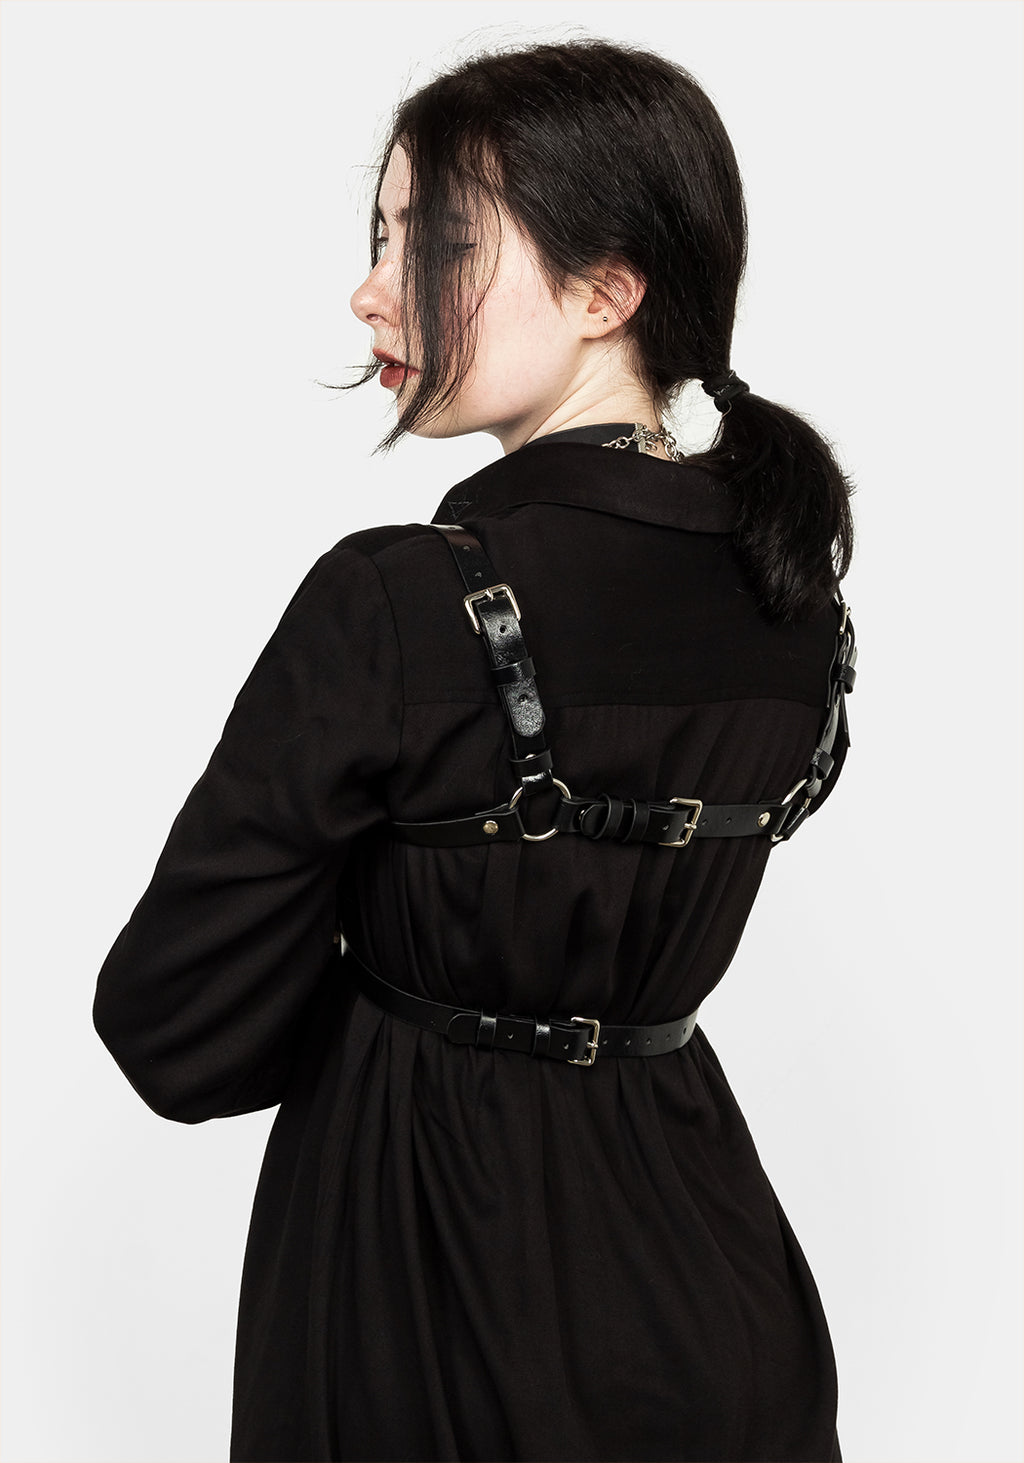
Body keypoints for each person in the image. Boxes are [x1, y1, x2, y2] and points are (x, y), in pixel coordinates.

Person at [93, 35, 856, 1463]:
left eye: (437, 242)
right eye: (380, 237)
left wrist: (373, 943)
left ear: (606, 292)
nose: (373, 289)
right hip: (719, 1298)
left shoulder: (395, 600)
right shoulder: (795, 603)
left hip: (419, 1311)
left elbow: (175, 1031)